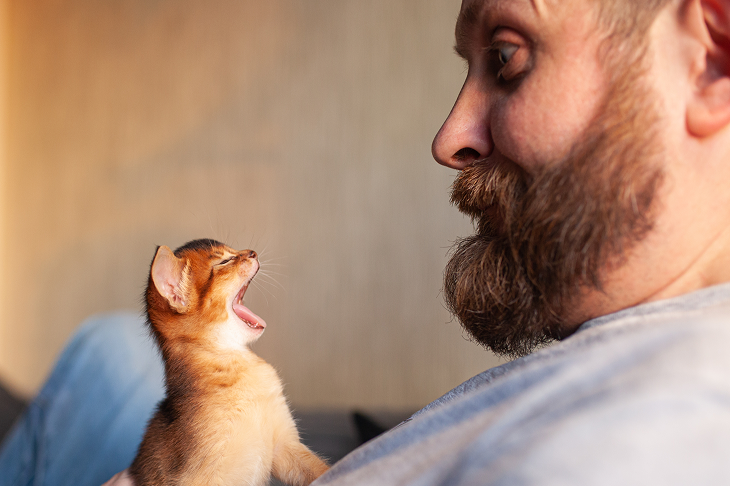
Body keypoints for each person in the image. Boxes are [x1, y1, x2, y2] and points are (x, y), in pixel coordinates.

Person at [5, 0, 730, 483]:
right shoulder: (648, 349)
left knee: (107, 352)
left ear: (712, 59)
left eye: (508, 57)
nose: (448, 138)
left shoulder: (665, 420)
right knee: (113, 346)